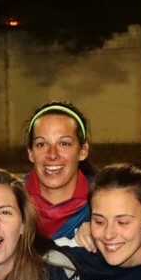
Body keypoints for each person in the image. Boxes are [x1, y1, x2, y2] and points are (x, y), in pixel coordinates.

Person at [22, 102, 95, 240]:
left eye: (64, 144)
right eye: (41, 144)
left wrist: (101, 227)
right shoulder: (10, 202)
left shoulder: (103, 205)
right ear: (31, 153)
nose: (52, 154)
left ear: (83, 151)